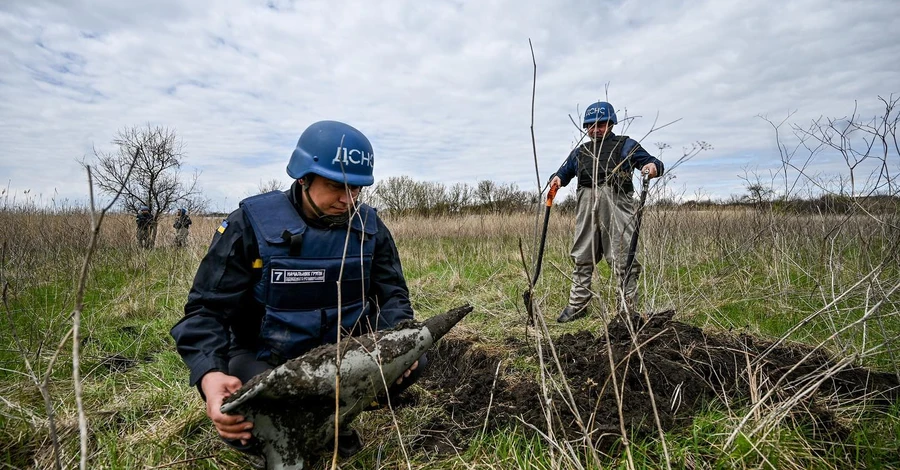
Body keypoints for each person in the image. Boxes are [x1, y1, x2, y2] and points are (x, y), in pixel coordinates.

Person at [170, 120, 424, 462]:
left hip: (344, 352)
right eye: (336, 187)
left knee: (417, 357)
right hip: (266, 357)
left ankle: (337, 419)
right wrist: (211, 376)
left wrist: (398, 343)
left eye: (357, 190)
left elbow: (392, 296)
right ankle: (279, 433)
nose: (348, 200)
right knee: (249, 409)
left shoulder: (370, 227)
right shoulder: (249, 225)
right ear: (303, 178)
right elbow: (206, 312)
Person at [548, 101, 664, 323]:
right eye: (590, 125)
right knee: (582, 255)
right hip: (585, 206)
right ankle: (578, 305)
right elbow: (563, 173)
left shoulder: (625, 145)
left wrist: (652, 168)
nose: (595, 129)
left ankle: (627, 310)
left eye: (600, 124)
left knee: (623, 257)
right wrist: (557, 179)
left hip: (617, 206)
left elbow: (651, 162)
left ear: (610, 124)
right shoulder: (579, 152)